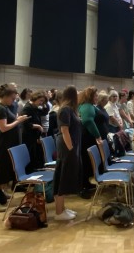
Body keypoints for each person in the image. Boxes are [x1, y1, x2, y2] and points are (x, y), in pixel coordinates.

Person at [0, 84, 29, 212]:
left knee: (4, 171)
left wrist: (17, 119)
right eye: (12, 97)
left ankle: (1, 194)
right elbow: (3, 128)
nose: (14, 100)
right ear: (4, 97)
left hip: (8, 143)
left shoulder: (6, 107)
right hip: (1, 144)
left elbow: (10, 120)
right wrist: (18, 121)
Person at [53, 86, 82, 221]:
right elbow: (64, 131)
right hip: (66, 147)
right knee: (62, 177)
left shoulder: (70, 110)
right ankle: (59, 211)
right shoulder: (65, 109)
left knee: (65, 177)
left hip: (70, 146)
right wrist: (71, 149)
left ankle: (62, 208)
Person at [78, 86, 101, 199]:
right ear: (90, 96)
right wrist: (98, 135)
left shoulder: (89, 105)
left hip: (87, 138)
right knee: (86, 161)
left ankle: (86, 183)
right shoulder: (87, 106)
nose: (97, 97)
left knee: (87, 161)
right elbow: (88, 121)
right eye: (96, 95)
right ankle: (83, 187)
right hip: (87, 138)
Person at [20, 90, 45, 172]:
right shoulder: (27, 108)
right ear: (35, 98)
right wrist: (37, 126)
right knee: (29, 159)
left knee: (34, 158)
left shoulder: (34, 107)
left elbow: (45, 111)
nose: (41, 103)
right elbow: (25, 124)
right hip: (28, 137)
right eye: (40, 100)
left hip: (33, 137)